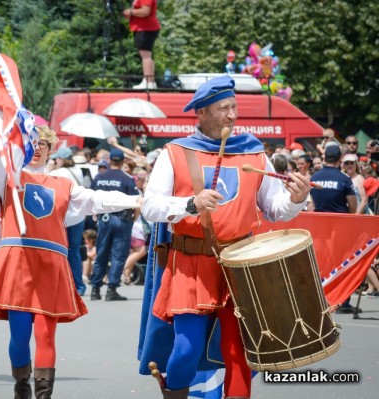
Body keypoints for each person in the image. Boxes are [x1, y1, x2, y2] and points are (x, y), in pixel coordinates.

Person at [141, 75, 310, 399]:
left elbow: (275, 209)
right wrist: (191, 203)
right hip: (191, 263)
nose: (232, 115)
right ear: (201, 113)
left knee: (239, 353)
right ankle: (174, 392)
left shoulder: (255, 154)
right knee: (187, 349)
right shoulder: (175, 153)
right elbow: (150, 206)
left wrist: (296, 199)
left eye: (234, 107)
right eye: (223, 108)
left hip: (241, 267)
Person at [0, 119, 141, 399]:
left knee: (45, 334)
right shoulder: (9, 176)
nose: (37, 148)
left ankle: (43, 395)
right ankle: (21, 383)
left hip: (50, 266)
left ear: (51, 148)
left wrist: (136, 200)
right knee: (19, 337)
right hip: (18, 263)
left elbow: (96, 199)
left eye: (43, 143)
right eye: (31, 143)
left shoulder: (63, 184)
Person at [310, 145, 357, 314]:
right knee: (342, 263)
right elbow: (353, 206)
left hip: (319, 227)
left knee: (321, 262)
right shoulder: (344, 179)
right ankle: (342, 300)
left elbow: (311, 205)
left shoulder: (314, 177)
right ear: (340, 159)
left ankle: (320, 297)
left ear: (324, 158)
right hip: (340, 227)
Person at [90, 148, 140, 301]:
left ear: (110, 161)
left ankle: (95, 289)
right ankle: (111, 289)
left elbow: (91, 198)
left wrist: (95, 214)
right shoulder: (127, 179)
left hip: (104, 219)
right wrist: (133, 219)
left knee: (102, 253)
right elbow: (136, 202)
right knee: (118, 255)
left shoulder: (99, 177)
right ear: (123, 161)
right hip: (122, 220)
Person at [49, 146, 88, 295]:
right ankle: (78, 286)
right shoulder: (77, 171)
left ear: (60, 159)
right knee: (75, 252)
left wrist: (50, 167)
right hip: (78, 216)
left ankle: (60, 284)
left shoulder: (57, 173)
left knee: (58, 251)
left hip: (62, 217)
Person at [123, 0, 161, 89]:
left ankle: (148, 82)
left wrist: (130, 11)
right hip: (143, 28)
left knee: (145, 56)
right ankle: (151, 82)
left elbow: (145, 11)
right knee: (147, 55)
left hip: (145, 28)